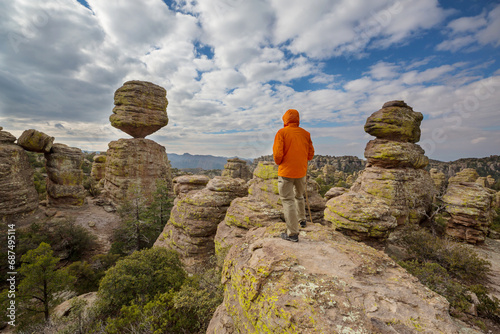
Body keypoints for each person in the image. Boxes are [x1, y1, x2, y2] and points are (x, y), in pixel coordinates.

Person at [273, 109, 314, 242]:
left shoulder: (282, 133)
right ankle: (302, 220)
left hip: (286, 172)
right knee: (299, 196)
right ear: (297, 119)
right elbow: (310, 154)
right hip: (301, 172)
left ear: (285, 119)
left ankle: (292, 234)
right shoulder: (306, 134)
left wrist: (280, 162)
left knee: (288, 200)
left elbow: (278, 155)